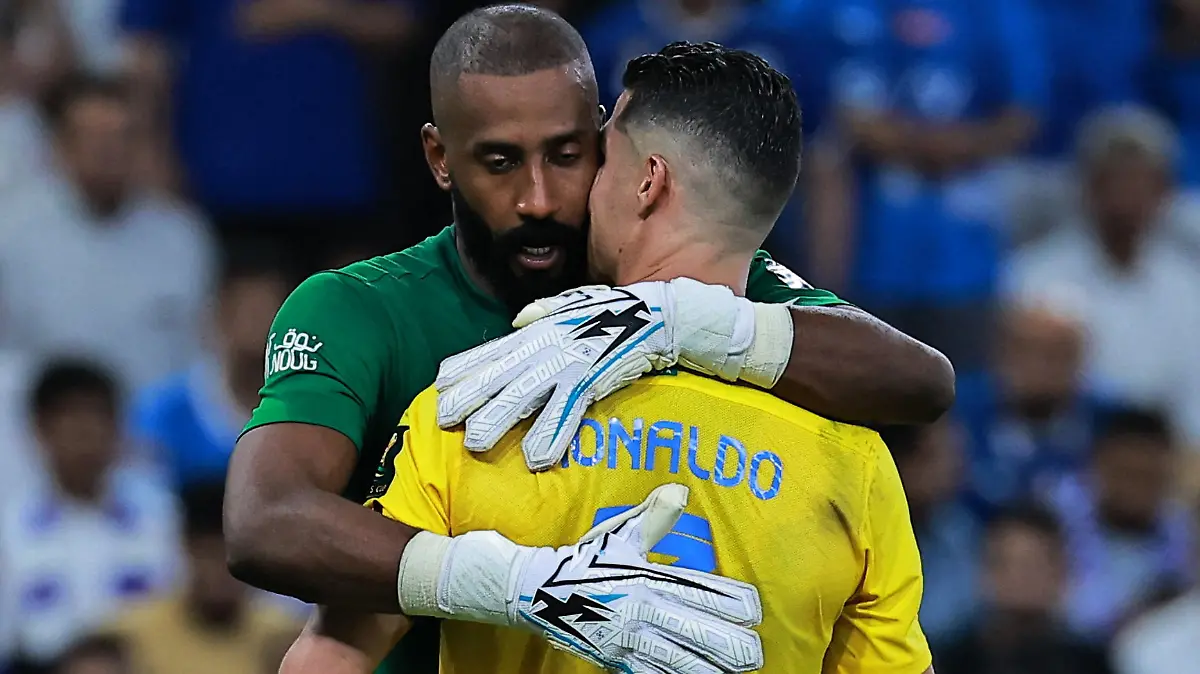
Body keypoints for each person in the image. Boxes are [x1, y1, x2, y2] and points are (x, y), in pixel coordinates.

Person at [224, 4, 954, 673]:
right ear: (440, 158)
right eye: (500, 162)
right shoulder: (361, 310)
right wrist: (518, 585)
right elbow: (264, 521)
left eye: (569, 155)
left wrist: (675, 320)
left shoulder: (703, 286)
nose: (539, 198)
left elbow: (920, 380)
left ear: (611, 149)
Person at [0, 361, 179, 667]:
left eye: (97, 418)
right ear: (39, 430)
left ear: (119, 428)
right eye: (70, 420)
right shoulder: (10, 528)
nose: (84, 435)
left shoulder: (163, 518)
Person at [132, 246, 291, 489]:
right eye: (250, 311)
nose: (261, 325)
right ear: (220, 315)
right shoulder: (162, 410)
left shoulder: (308, 409)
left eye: (271, 311)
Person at [105, 482, 301, 674]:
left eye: (233, 558)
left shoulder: (285, 639)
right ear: (186, 548)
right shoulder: (133, 638)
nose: (222, 570)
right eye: (209, 554)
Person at [936, 505, 1112, 674]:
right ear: (983, 572)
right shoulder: (950, 662)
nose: (1021, 577)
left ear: (1062, 573)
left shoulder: (1091, 664)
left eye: (1034, 564)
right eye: (1007, 563)